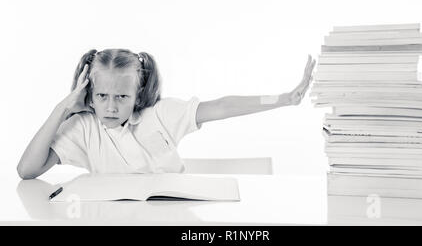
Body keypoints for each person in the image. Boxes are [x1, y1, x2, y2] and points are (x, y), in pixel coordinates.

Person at [17, 49, 316, 179]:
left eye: (121, 96)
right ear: (89, 95)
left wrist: (284, 99)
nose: (110, 107)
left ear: (137, 94)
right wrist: (62, 108)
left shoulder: (159, 114)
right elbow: (27, 170)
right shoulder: (83, 127)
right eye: (101, 96)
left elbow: (223, 107)